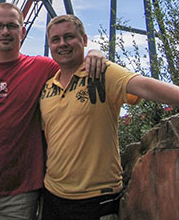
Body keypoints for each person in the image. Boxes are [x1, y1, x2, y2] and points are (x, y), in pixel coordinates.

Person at [0, 3, 106, 220]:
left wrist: (95, 51)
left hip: (21, 193)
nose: (5, 32)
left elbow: (73, 63)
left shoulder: (42, 68)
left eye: (12, 25)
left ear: (23, 31)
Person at [40, 14, 179, 220]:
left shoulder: (102, 73)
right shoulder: (47, 87)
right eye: (55, 39)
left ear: (84, 40)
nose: (62, 44)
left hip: (97, 198)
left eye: (69, 37)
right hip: (53, 196)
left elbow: (145, 86)